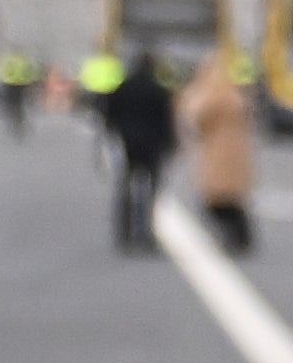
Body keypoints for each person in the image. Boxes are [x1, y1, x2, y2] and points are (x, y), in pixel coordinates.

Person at [93, 49, 177, 251]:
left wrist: (112, 133)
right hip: (153, 146)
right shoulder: (159, 90)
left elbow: (109, 113)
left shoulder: (123, 87)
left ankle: (124, 232)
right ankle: (146, 233)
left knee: (126, 188)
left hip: (128, 143)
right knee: (151, 192)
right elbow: (166, 120)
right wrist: (171, 144)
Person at [181, 49, 260, 253]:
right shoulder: (236, 95)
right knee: (232, 198)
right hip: (234, 153)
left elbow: (196, 117)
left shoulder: (213, 95)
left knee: (218, 199)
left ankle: (237, 237)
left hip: (216, 152)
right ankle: (240, 237)